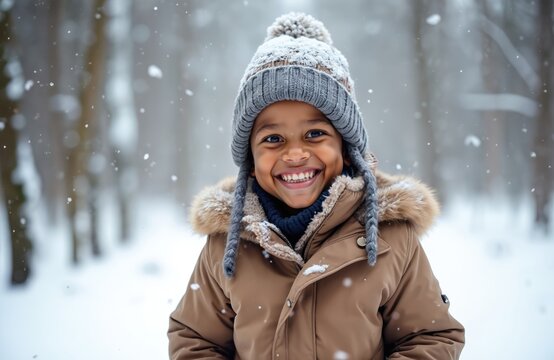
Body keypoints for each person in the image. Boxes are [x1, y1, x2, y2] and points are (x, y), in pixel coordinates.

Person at [168, 12, 464, 360]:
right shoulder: (228, 243)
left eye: (315, 134)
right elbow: (194, 339)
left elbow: (430, 336)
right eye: (273, 138)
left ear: (347, 147)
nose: (295, 154)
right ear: (249, 157)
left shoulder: (390, 237)